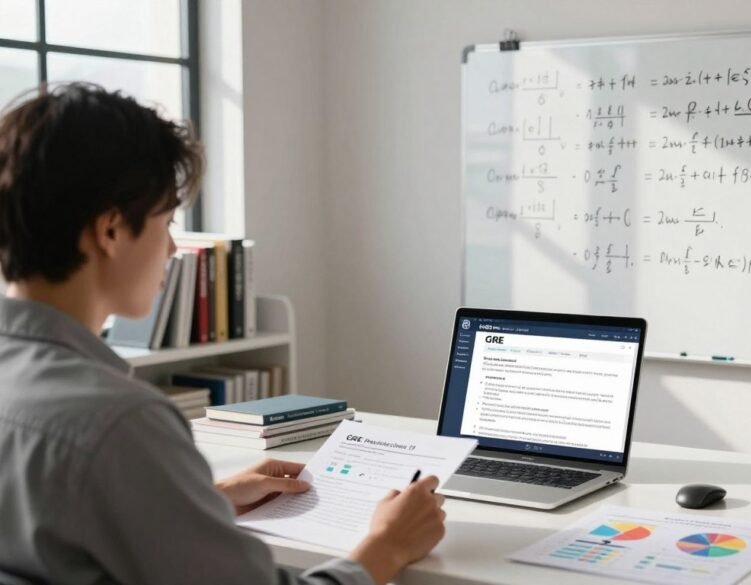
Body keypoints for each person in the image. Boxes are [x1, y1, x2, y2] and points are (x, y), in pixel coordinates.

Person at [0, 83, 446, 585]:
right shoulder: (120, 423)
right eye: (165, 222)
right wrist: (386, 546)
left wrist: (201, 500)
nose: (171, 249)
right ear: (111, 231)